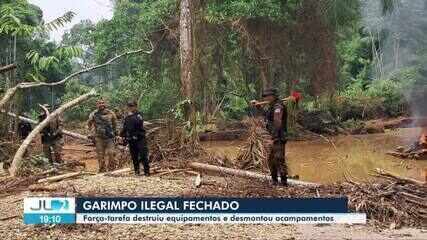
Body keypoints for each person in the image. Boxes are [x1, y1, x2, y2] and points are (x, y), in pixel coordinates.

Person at [250, 88, 289, 186]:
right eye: (265, 96)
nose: (266, 98)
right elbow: (266, 115)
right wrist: (258, 106)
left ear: (273, 96)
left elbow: (277, 122)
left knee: (279, 159)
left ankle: (284, 182)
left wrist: (274, 138)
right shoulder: (271, 106)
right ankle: (274, 181)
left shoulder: (278, 106)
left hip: (278, 137)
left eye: (268, 96)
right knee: (271, 160)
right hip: (273, 137)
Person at [120, 100, 150, 176]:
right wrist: (121, 135)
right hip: (131, 139)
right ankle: (137, 171)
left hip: (140, 138)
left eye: (132, 106)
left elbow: (138, 122)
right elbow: (125, 127)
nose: (130, 108)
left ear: (136, 106)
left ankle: (147, 172)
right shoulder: (127, 118)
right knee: (134, 156)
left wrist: (131, 115)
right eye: (129, 106)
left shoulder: (139, 115)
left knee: (143, 155)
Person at [87, 99, 118, 173]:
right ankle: (102, 170)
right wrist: (91, 132)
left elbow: (115, 124)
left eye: (103, 103)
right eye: (99, 103)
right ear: (97, 105)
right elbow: (89, 123)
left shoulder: (111, 113)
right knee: (100, 155)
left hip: (110, 137)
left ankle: (111, 169)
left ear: (105, 104)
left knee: (111, 153)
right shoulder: (93, 114)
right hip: (99, 138)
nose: (101, 104)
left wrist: (116, 133)